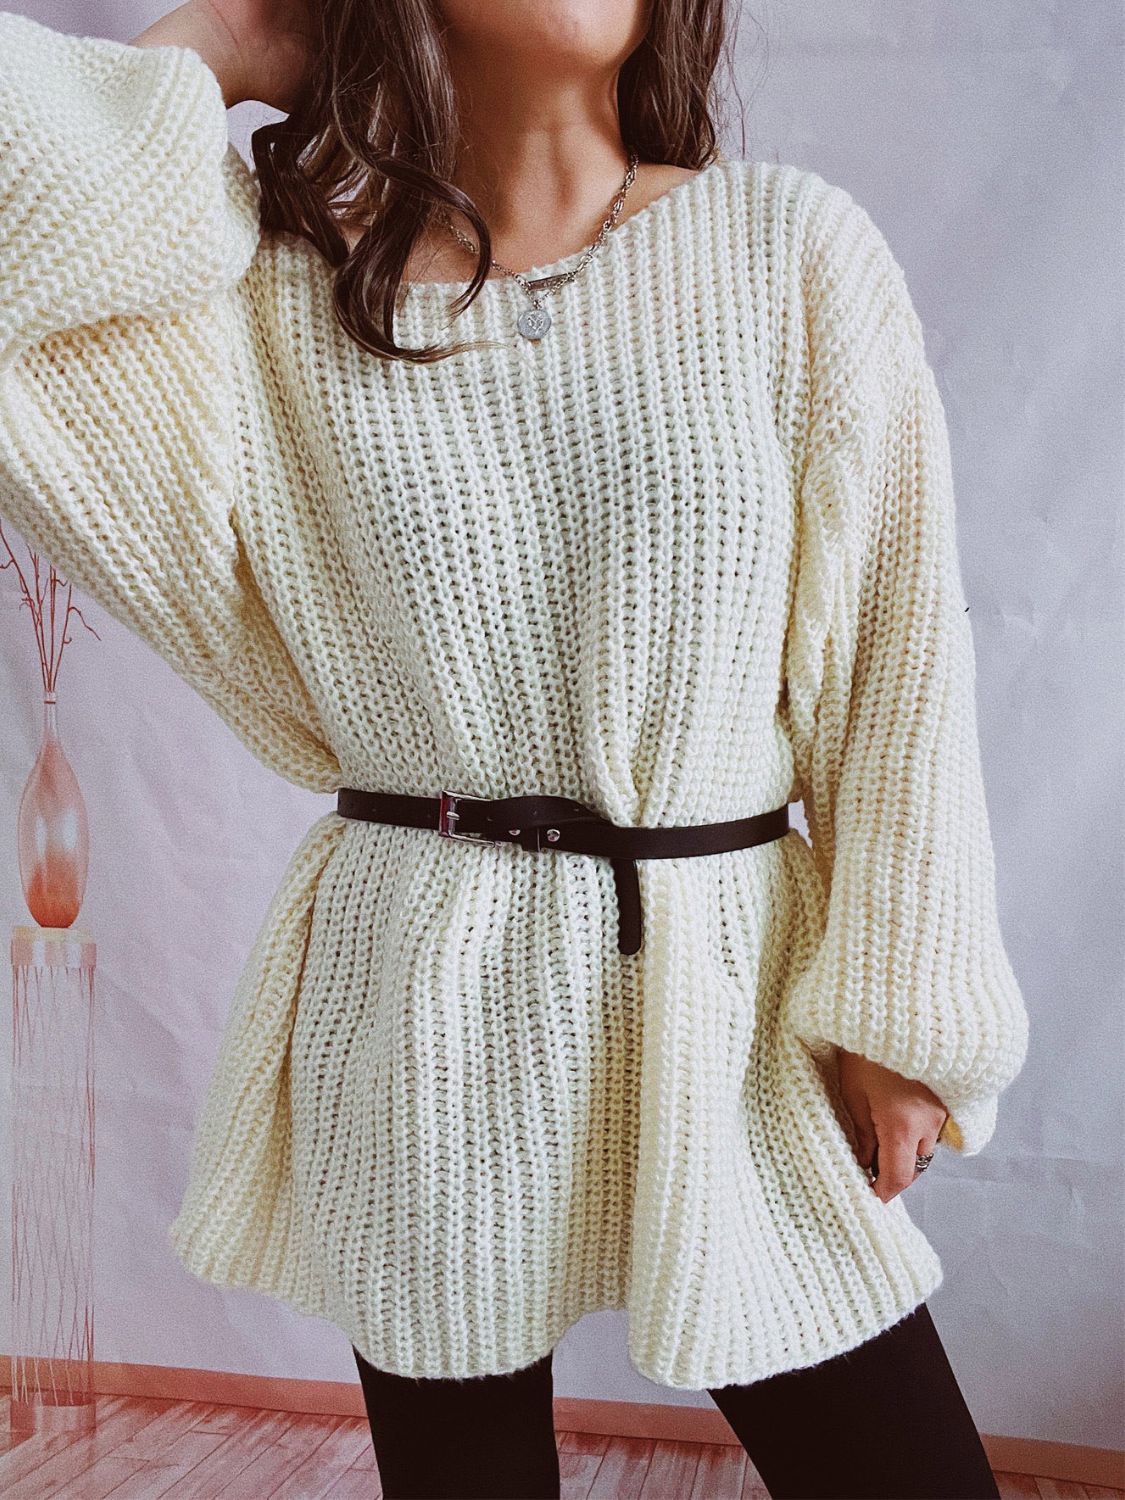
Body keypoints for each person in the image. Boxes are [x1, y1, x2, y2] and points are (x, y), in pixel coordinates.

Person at [0, 1, 1028, 1495]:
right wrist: (220, 40)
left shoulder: (784, 250)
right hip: (416, 986)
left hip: (727, 979)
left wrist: (904, 1009)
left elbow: (897, 659)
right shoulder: (283, 295)